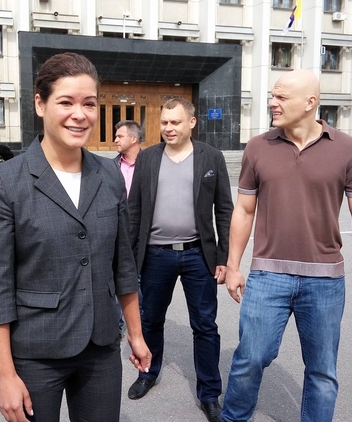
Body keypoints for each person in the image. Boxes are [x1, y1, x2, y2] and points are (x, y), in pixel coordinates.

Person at [0, 52, 151, 422]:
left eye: (89, 103)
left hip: (101, 346)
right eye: (66, 102)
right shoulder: (6, 181)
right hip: (36, 351)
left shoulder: (109, 174)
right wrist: (4, 375)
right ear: (40, 104)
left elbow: (123, 265)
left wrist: (135, 334)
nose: (80, 114)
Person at [220, 69, 352, 422]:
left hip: (325, 281)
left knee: (322, 371)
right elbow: (244, 210)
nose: (272, 103)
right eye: (272, 96)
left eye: (281, 97)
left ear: (310, 103)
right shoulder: (258, 147)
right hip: (267, 276)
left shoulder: (348, 149)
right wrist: (233, 266)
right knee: (250, 359)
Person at [126, 98, 233, 422]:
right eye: (164, 122)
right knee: (150, 320)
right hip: (155, 255)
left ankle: (209, 394)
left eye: (175, 122)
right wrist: (129, 256)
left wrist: (225, 257)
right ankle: (148, 373)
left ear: (191, 122)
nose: (168, 128)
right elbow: (134, 210)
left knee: (205, 326)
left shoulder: (211, 157)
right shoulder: (147, 158)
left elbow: (224, 210)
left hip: (198, 255)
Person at [112, 119, 143, 333]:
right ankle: (116, 326)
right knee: (116, 278)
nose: (115, 140)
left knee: (139, 282)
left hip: (142, 235)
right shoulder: (110, 167)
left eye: (119, 136)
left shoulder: (151, 164)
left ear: (133, 138)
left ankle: (139, 327)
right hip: (117, 233)